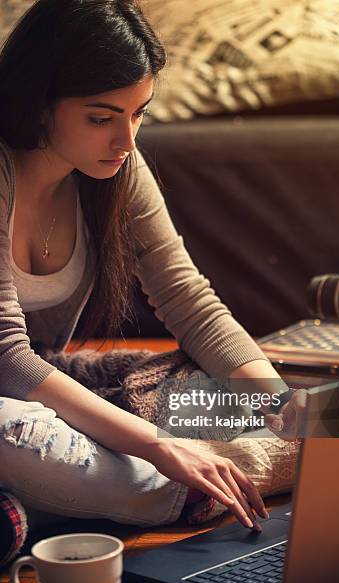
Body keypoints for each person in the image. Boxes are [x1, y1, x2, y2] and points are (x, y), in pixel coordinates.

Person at [0, 0, 304, 533]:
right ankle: (198, 487)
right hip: (13, 402)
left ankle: (38, 509)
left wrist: (280, 406)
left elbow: (190, 301)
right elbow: (8, 360)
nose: (127, 141)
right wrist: (160, 446)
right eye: (101, 118)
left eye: (139, 113)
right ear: (40, 101)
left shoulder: (119, 165)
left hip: (56, 386)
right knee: (20, 437)